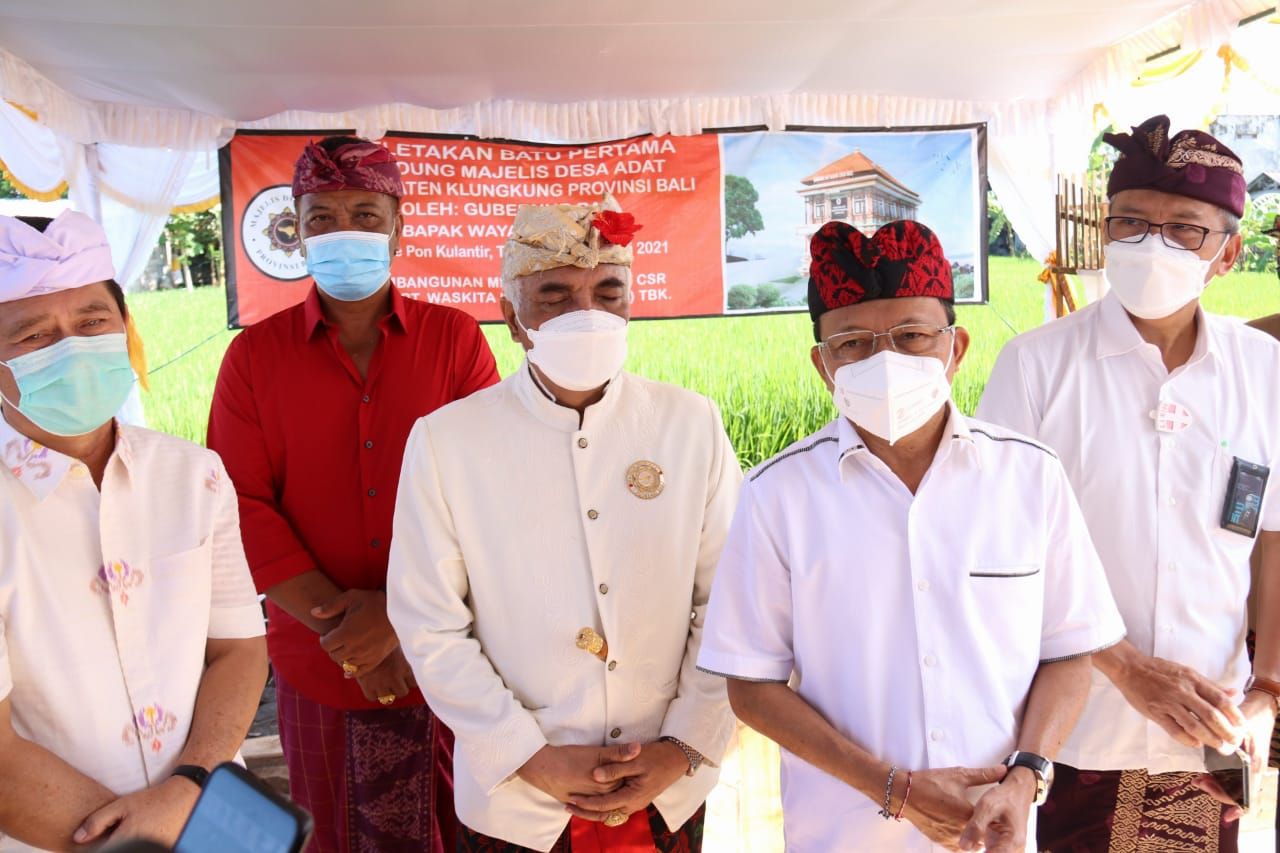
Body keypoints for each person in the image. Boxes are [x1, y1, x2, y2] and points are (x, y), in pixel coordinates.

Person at [697, 219, 1125, 852]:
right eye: (853, 343)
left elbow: (1068, 652)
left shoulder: (1030, 475)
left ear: (957, 348)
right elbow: (752, 686)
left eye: (912, 336)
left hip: (996, 830)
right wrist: (894, 789)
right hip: (843, 836)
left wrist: (1026, 777)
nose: (886, 361)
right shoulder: (777, 494)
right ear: (823, 365)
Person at [386, 195, 740, 852]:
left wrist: (684, 744)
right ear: (512, 319)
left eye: (608, 293)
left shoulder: (691, 424)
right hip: (518, 798)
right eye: (555, 295)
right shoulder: (447, 441)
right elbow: (429, 623)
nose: (587, 315)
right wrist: (527, 754)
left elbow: (730, 602)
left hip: (667, 785)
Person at [978, 115, 1280, 852]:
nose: (1152, 244)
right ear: (1106, 233)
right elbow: (1001, 555)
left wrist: (1267, 692)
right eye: (1132, 223)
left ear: (1229, 253)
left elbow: (1273, 538)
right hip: (1074, 735)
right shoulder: (1036, 366)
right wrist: (1128, 668)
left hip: (1210, 738)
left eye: (1183, 230)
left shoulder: (1263, 370)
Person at [207, 136, 499, 853]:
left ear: (398, 228)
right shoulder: (253, 358)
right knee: (335, 835)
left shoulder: (455, 340)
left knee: (464, 829)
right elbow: (240, 505)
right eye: (322, 218)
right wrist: (350, 636)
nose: (344, 232)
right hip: (320, 659)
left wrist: (399, 616)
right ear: (298, 233)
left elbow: (491, 488)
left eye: (366, 215)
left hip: (449, 654)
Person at [0, 212, 267, 851]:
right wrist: (143, 840)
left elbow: (237, 650)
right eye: (34, 334)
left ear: (126, 328)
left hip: (212, 818)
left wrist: (189, 787)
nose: (72, 346)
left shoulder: (193, 474)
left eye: (93, 322)